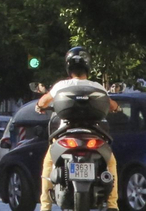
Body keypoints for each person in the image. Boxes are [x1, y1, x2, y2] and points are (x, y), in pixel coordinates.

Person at [37, 47, 119, 211]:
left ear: (68, 67)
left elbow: (44, 101)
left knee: (49, 163)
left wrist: (39, 105)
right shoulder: (97, 87)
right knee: (111, 162)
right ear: (88, 66)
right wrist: (117, 108)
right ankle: (112, 205)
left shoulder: (61, 85)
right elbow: (112, 105)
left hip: (64, 136)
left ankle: (45, 207)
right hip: (94, 136)